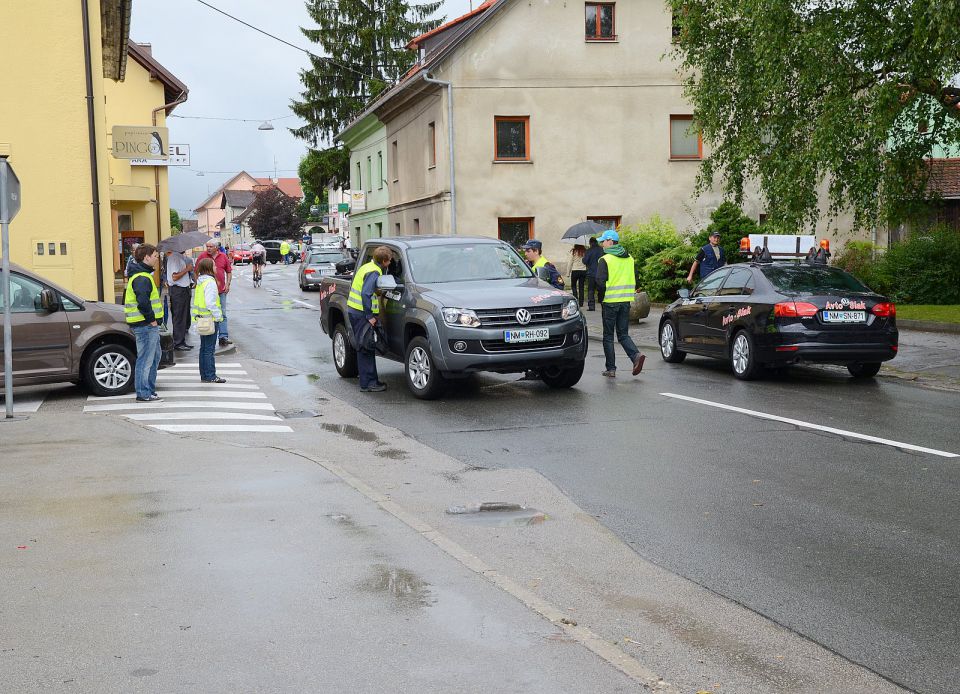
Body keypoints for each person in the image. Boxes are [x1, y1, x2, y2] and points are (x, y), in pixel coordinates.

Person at [595, 230, 645, 378]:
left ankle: (611, 369)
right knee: (623, 334)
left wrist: (602, 296)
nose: (601, 244)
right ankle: (636, 356)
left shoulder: (605, 259)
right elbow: (636, 278)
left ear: (610, 242)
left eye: (603, 241)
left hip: (610, 302)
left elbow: (599, 281)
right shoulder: (630, 258)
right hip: (625, 301)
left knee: (608, 337)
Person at [347, 246, 392, 392]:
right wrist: (370, 316)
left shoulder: (368, 266)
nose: (390, 263)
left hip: (355, 311)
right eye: (389, 260)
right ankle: (370, 383)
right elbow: (366, 294)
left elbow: (367, 289)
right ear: (384, 261)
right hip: (361, 314)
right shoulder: (374, 271)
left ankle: (367, 382)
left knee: (363, 347)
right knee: (366, 347)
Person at [124, 243, 164, 402]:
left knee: (153, 357)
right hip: (145, 325)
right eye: (155, 256)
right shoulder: (142, 277)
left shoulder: (142, 275)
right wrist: (152, 320)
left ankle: (148, 390)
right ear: (146, 257)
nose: (157, 259)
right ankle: (143, 393)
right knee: (146, 359)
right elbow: (143, 302)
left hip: (144, 325)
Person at [192, 258, 226, 384]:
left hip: (202, 319)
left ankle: (204, 375)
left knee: (204, 348)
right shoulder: (210, 283)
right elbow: (210, 303)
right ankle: (211, 375)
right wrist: (218, 316)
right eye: (214, 266)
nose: (216, 268)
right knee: (209, 349)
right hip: (210, 319)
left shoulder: (201, 281)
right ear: (209, 268)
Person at [195, 239, 233, 347]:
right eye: (207, 246)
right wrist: (199, 283)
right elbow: (196, 271)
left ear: (216, 247)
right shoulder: (202, 256)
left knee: (223, 314)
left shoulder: (223, 256)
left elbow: (229, 271)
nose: (208, 248)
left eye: (211, 246)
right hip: (208, 290)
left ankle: (223, 337)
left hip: (221, 290)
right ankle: (208, 332)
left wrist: (228, 284)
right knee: (210, 314)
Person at [165, 250, 194, 351]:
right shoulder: (174, 258)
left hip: (182, 290)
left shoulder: (178, 257)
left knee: (182, 317)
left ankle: (181, 341)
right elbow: (175, 277)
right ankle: (178, 342)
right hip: (178, 290)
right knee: (179, 317)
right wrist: (187, 269)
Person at [582, 236, 603, 310]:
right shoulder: (602, 250)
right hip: (601, 273)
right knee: (601, 289)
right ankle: (602, 303)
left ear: (590, 243)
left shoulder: (588, 251)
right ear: (596, 242)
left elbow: (585, 261)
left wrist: (584, 257)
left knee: (591, 290)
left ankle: (591, 306)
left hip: (591, 273)